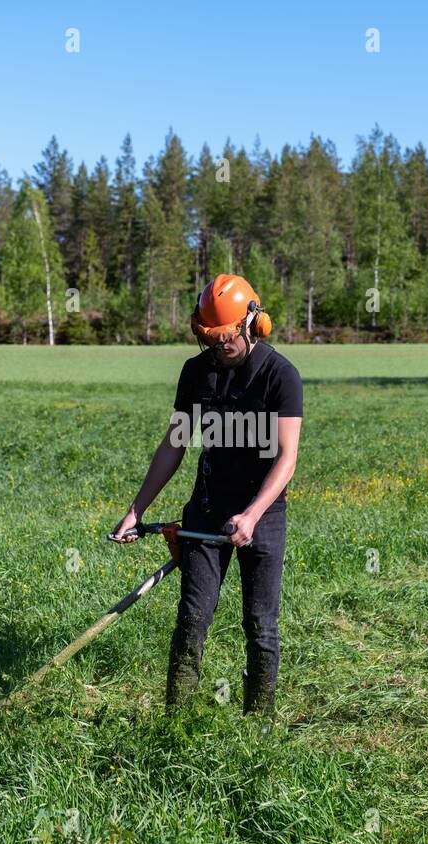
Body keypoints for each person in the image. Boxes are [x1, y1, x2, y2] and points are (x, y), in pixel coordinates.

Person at [110, 274, 303, 714]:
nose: (218, 350)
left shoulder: (280, 376)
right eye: (210, 341)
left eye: (227, 340)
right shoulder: (197, 373)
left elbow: (287, 459)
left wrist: (252, 515)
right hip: (207, 510)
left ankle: (260, 724)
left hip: (264, 515)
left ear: (254, 324)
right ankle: (176, 721)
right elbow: (175, 444)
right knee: (192, 619)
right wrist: (135, 510)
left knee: (260, 625)